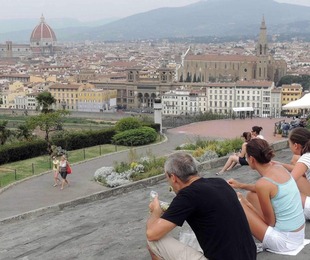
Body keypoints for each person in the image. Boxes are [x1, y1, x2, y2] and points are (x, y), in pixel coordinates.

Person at [146, 152, 256, 260]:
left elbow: (152, 234)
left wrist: (156, 211)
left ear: (173, 177)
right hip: (249, 255)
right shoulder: (220, 182)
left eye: (168, 178)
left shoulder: (187, 195)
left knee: (154, 242)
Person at [228, 138, 305, 253]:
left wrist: (246, 204)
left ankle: (240, 243)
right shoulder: (279, 168)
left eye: (246, 157)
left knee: (236, 202)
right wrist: (241, 185)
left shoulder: (263, 184)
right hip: (298, 234)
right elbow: (267, 189)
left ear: (252, 159)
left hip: (285, 242)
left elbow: (270, 223)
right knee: (251, 195)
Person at [288, 127, 310, 219]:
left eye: (289, 143)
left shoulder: (306, 157)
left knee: (284, 194)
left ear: (296, 145)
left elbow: (287, 183)